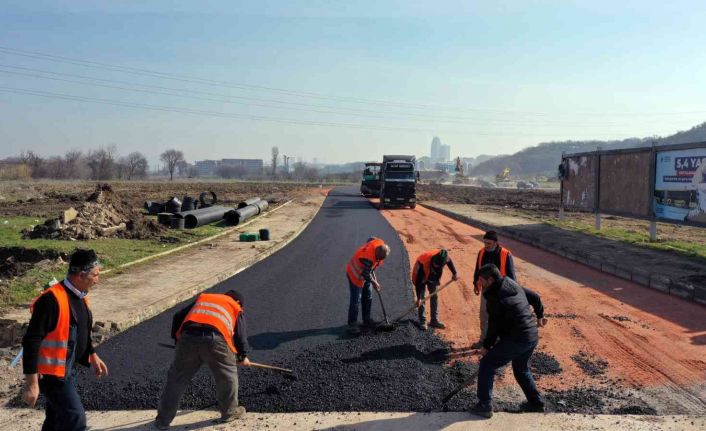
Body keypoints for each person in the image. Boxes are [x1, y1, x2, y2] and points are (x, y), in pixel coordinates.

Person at [22, 249, 109, 431]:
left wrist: (91, 354)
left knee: (55, 420)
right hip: (52, 375)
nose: (97, 280)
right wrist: (32, 384)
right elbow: (31, 341)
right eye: (95, 275)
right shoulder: (51, 300)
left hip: (67, 369)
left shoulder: (80, 298)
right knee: (75, 420)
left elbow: (80, 330)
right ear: (80, 275)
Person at [155, 290, 250, 430]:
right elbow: (240, 335)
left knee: (176, 379)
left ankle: (163, 421)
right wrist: (242, 356)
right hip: (216, 340)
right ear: (238, 302)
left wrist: (178, 342)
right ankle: (229, 412)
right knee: (227, 376)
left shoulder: (205, 298)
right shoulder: (235, 306)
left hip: (188, 337)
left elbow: (177, 316)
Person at [471, 264, 547, 418]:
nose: (479, 283)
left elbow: (493, 326)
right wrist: (540, 315)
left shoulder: (494, 297)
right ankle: (536, 402)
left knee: (487, 363)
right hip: (532, 335)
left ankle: (484, 405)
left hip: (517, 338)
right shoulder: (511, 283)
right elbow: (535, 297)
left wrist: (486, 347)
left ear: (490, 279)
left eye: (481, 280)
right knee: (521, 369)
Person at [472, 230, 516, 349]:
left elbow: (512, 276)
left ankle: (499, 343)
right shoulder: (481, 252)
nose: (486, 246)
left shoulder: (505, 254)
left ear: (496, 243)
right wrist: (476, 284)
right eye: (485, 243)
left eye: (489, 243)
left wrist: (511, 294)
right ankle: (483, 340)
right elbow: (478, 270)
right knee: (484, 316)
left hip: (501, 292)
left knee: (499, 318)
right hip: (486, 291)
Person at [345, 237, 390, 335]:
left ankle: (366, 318)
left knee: (368, 296)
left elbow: (371, 238)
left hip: (366, 271)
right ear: (377, 253)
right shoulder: (367, 257)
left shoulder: (379, 243)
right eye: (378, 258)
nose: (379, 260)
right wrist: (375, 282)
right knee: (356, 299)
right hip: (355, 275)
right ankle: (352, 323)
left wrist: (374, 281)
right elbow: (366, 274)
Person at [411, 248, 458, 330]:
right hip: (421, 277)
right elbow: (419, 283)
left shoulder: (444, 258)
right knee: (422, 299)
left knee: (434, 296)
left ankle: (434, 320)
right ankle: (422, 321)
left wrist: (455, 273)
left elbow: (450, 262)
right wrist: (418, 298)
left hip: (433, 277)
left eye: (438, 265)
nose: (436, 266)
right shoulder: (423, 262)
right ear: (433, 259)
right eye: (435, 264)